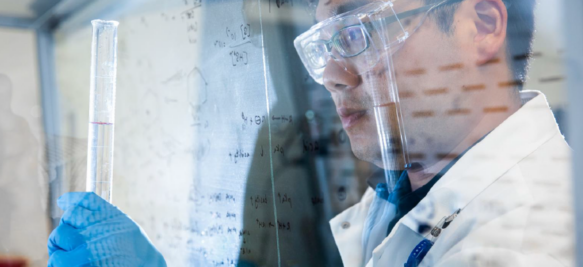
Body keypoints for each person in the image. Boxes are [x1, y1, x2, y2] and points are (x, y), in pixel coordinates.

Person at [47, 0, 574, 266]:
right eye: (324, 44)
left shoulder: (530, 236)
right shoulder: (403, 206)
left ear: (480, 24)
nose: (332, 76)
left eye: (358, 32)